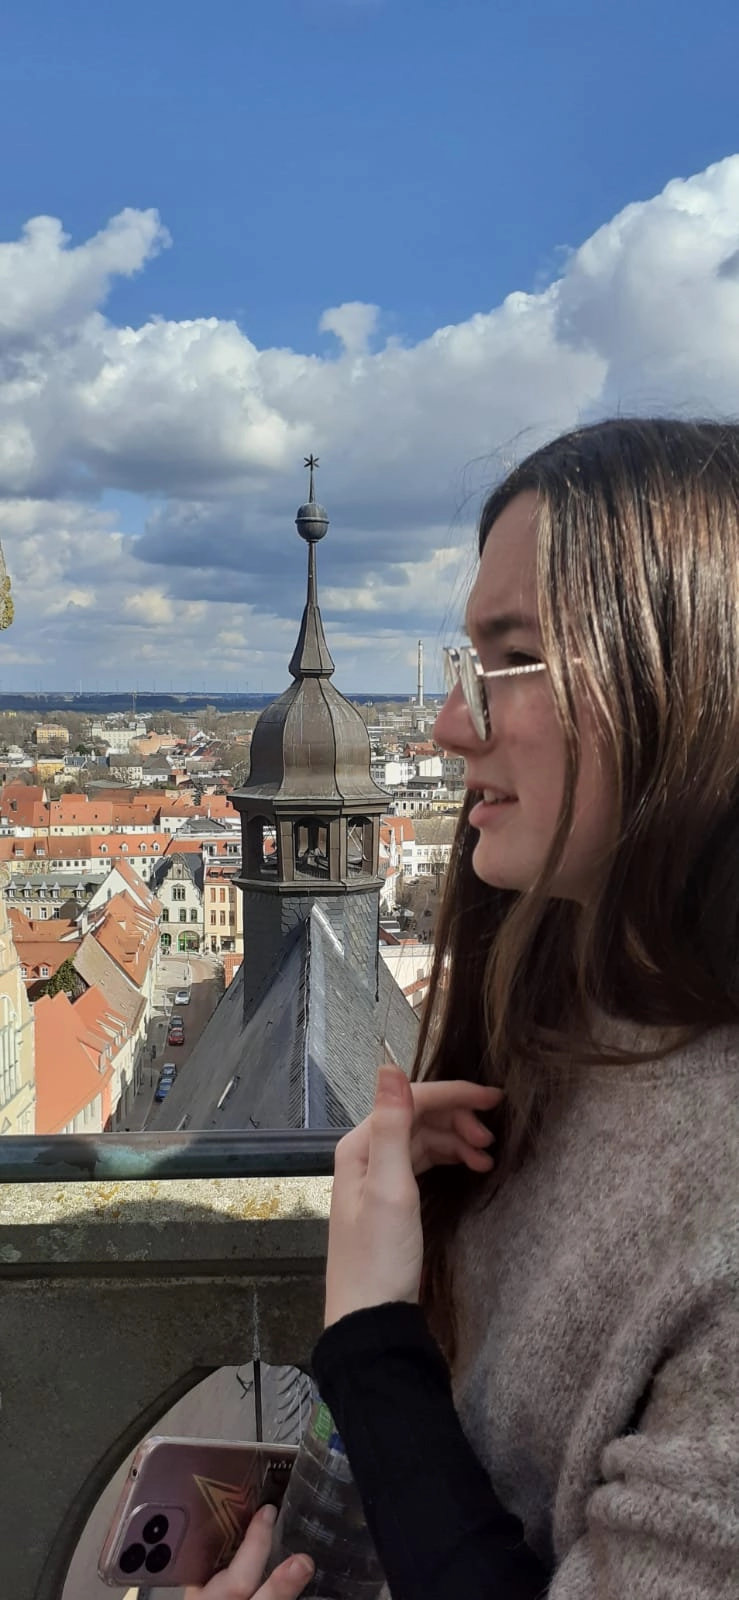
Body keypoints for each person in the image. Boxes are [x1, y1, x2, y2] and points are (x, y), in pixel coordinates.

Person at [190, 417, 739, 1599]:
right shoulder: (553, 1011)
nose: (448, 726)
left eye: (513, 658)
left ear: (693, 678)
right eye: (465, 660)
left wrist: (369, 1331)